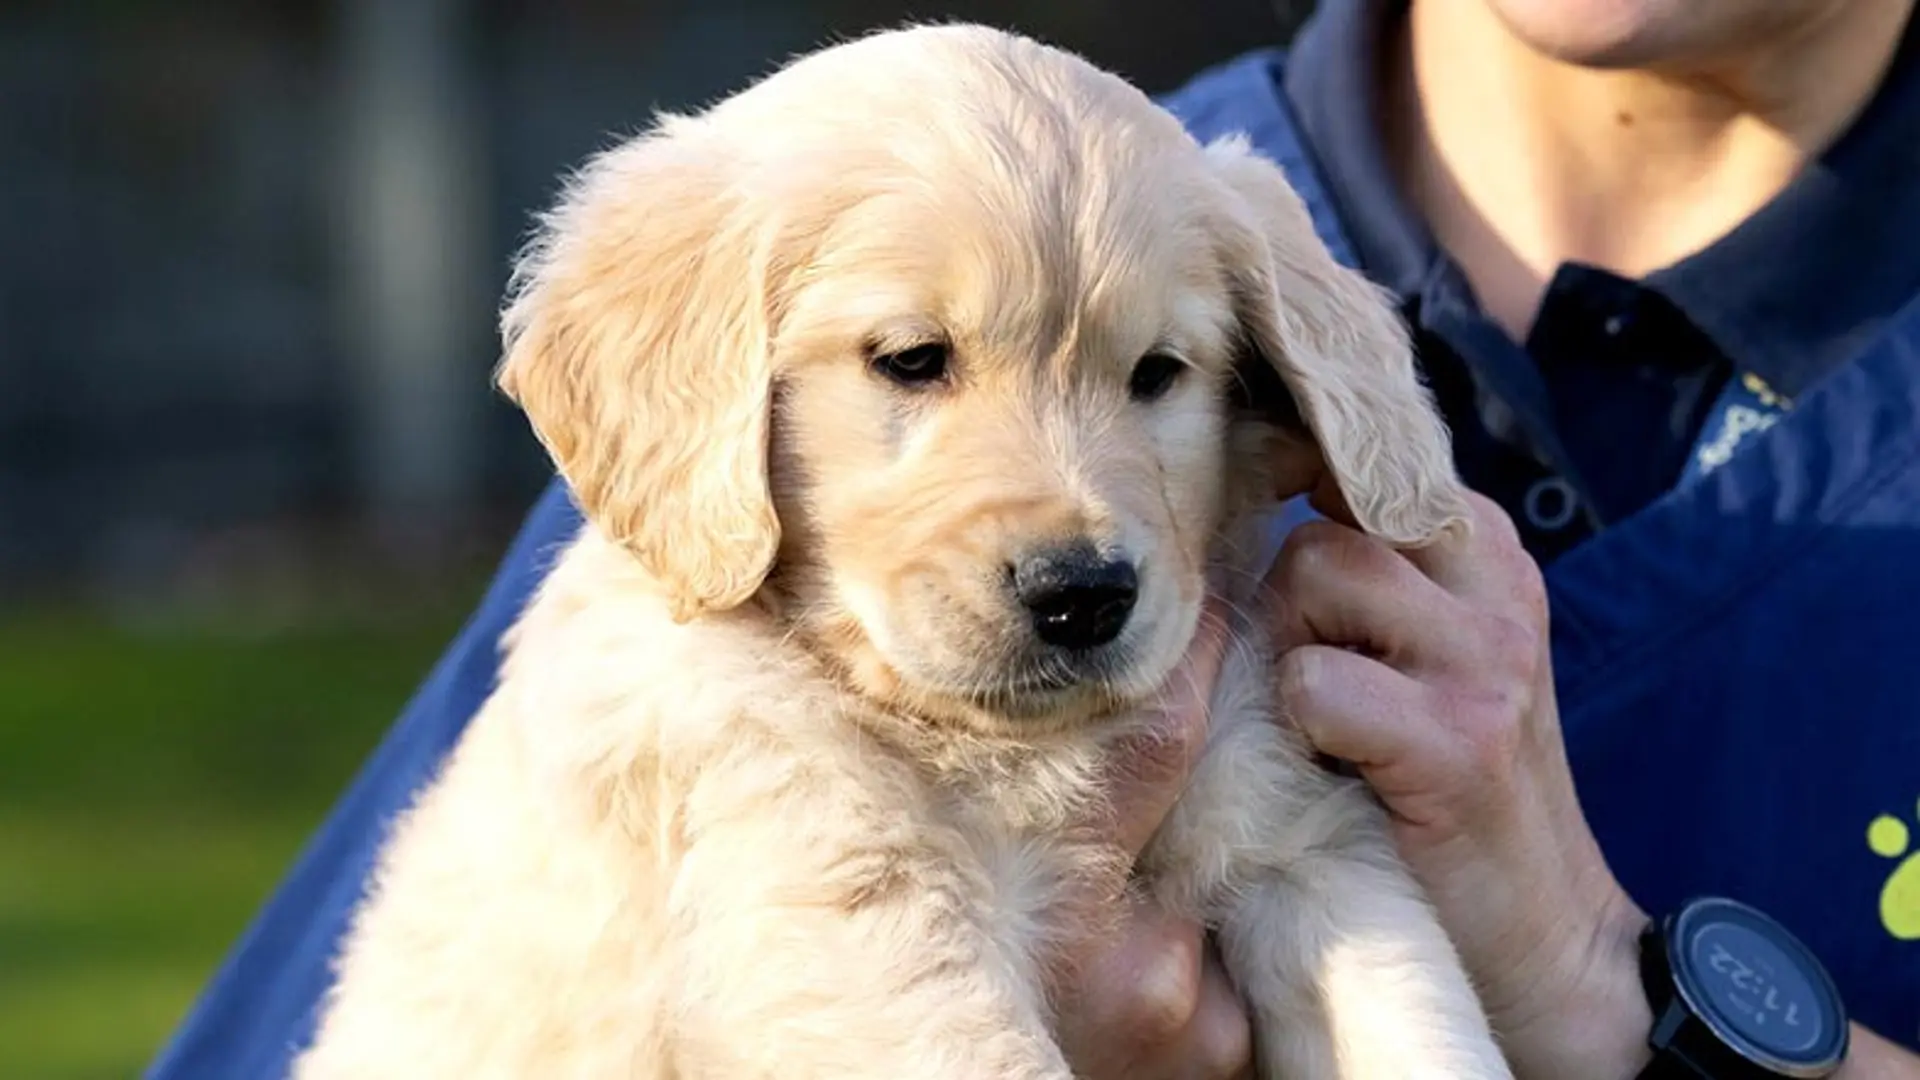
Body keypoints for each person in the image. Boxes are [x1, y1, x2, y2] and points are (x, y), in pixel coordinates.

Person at [150, 0, 1920, 1077]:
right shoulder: (732, 529)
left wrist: (1597, 999)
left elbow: (1317, 900)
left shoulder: (1211, 249)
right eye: (912, 363)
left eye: (1155, 378)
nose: (1073, 529)